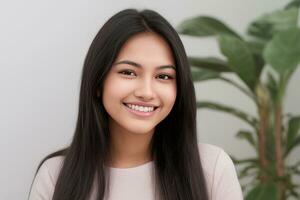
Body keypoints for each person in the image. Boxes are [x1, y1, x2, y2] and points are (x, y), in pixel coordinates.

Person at [28, 8, 243, 200]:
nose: (146, 92)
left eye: (164, 76)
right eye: (128, 72)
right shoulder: (55, 176)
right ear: (98, 82)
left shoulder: (212, 169)